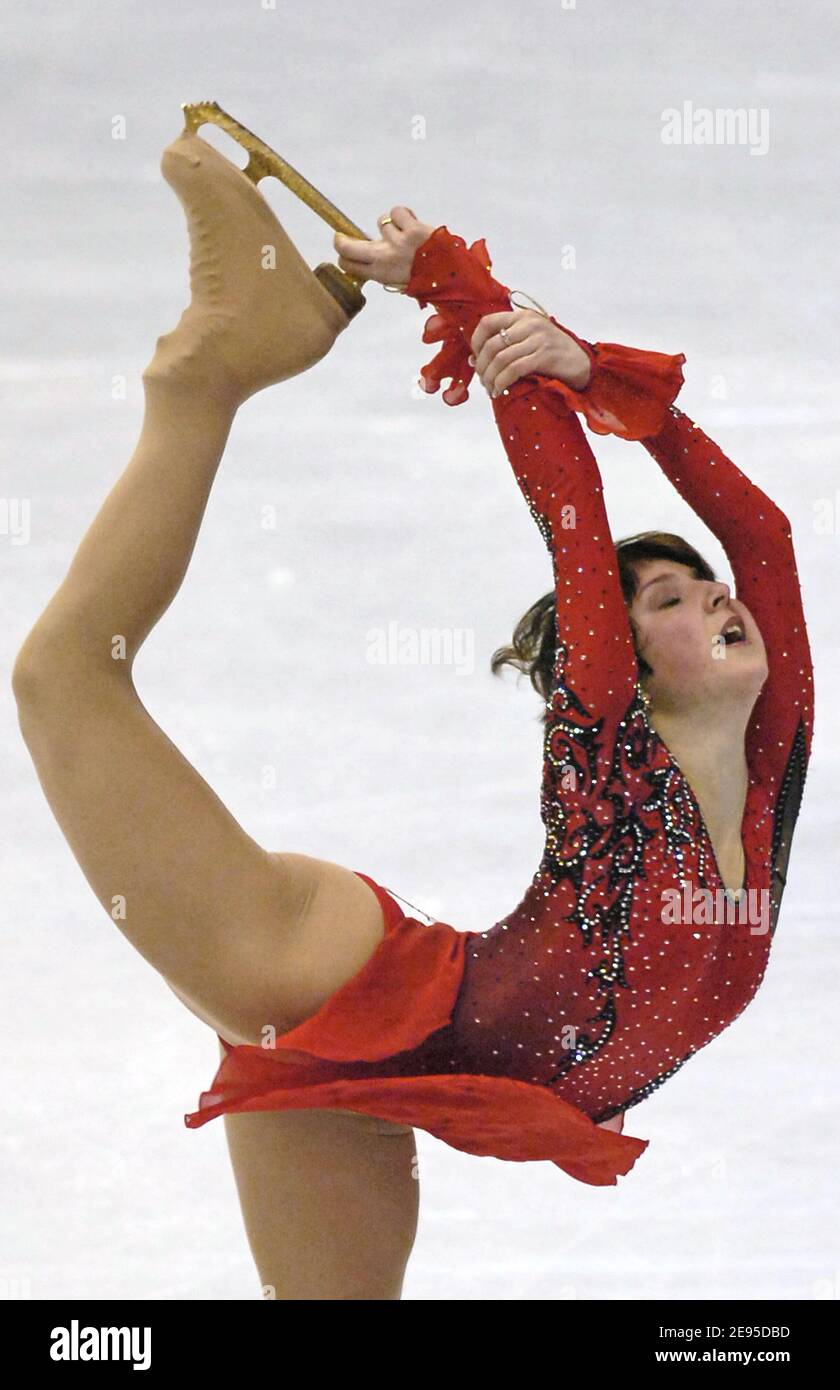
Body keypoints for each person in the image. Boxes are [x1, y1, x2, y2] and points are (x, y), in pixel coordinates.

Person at [12, 129, 814, 1300]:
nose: (721, 597)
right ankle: (208, 372)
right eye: (675, 600)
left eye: (707, 587)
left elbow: (769, 539)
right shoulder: (611, 750)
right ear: (626, 671)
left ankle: (234, 353)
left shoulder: (775, 758)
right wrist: (477, 299)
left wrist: (636, 401)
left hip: (382, 1063)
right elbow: (573, 522)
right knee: (64, 675)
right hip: (316, 970)